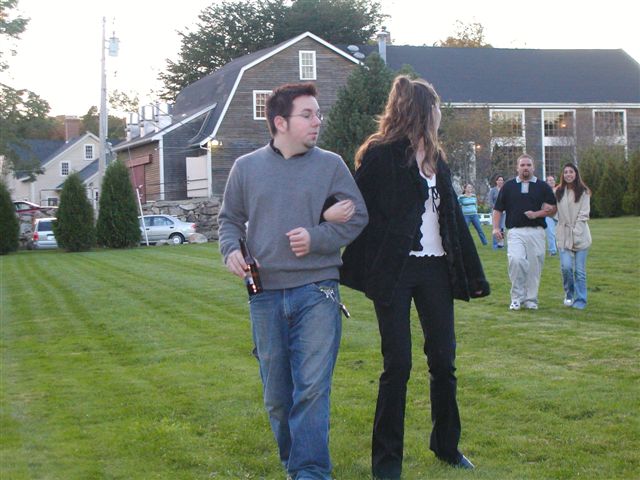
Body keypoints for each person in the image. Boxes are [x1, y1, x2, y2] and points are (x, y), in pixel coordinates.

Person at [340, 76, 490, 479]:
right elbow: (356, 207)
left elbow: (452, 219)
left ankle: (447, 446)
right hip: (396, 270)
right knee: (398, 365)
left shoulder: (437, 159)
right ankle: (387, 462)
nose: (441, 113)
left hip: (435, 269)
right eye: (437, 106)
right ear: (423, 110)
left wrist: (472, 275)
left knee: (443, 360)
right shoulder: (381, 156)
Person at [218, 82, 368, 480]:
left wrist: (316, 238)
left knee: (313, 389)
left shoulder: (331, 165)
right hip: (265, 295)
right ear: (280, 122)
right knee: (277, 398)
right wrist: (230, 251)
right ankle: (295, 464)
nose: (317, 121)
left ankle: (310, 472)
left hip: (318, 291)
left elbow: (357, 215)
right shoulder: (245, 168)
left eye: (318, 114)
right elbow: (229, 220)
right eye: (308, 114)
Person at [492, 154, 557, 311]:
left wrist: (537, 214)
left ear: (533, 167)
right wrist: (495, 228)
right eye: (522, 165)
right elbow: (498, 209)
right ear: (517, 167)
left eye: (528, 165)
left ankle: (530, 299)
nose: (525, 168)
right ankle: (516, 298)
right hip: (515, 232)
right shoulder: (508, 186)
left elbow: (553, 209)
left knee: (534, 267)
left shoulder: (542, 187)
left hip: (537, 232)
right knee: (516, 261)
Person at [555, 163, 592, 309]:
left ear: (576, 174)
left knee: (579, 271)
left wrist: (576, 232)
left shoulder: (584, 192)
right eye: (566, 172)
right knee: (566, 267)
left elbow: (584, 214)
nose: (568, 174)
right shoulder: (558, 191)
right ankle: (569, 294)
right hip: (563, 235)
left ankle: (581, 299)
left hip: (580, 235)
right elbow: (552, 210)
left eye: (571, 172)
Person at [487, 175, 505, 249]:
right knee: (496, 227)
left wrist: (504, 209)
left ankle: (501, 244)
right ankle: (495, 244)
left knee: (502, 228)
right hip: (495, 212)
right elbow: (490, 202)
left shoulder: (505, 190)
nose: (500, 181)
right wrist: (497, 209)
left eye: (502, 180)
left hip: (503, 212)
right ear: (496, 181)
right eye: (499, 180)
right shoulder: (493, 190)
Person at [545, 175, 558, 256]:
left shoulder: (559, 191)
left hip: (559, 215)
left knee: (560, 233)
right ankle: (552, 251)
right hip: (548, 215)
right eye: (549, 180)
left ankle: (562, 248)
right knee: (551, 233)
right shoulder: (544, 192)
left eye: (553, 180)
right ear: (546, 182)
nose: (552, 181)